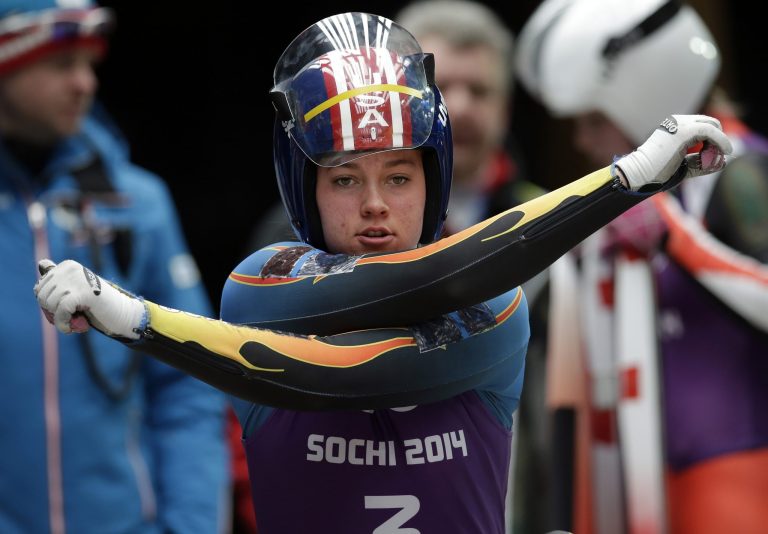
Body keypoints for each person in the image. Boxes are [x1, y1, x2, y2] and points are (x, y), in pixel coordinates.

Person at [34, 11, 732, 534]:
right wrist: (623, 180)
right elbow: (318, 362)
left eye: (399, 176)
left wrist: (138, 321)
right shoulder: (257, 283)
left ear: (434, 181)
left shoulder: (493, 304)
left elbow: (364, 356)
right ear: (304, 188)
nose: (374, 206)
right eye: (344, 179)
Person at [515, 0, 768, 533]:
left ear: (646, 93)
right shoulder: (651, 199)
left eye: (593, 119)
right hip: (641, 473)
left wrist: (673, 236)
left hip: (736, 464)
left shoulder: (743, 172)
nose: (582, 141)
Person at [0, 1, 230, 533]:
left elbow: (189, 380)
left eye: (90, 64)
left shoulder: (137, 202)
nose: (85, 83)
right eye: (62, 64)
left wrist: (191, 526)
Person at [393, 2, 550, 532]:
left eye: (480, 91)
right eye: (442, 87)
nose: (461, 107)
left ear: (506, 108)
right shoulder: (319, 228)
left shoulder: (557, 226)